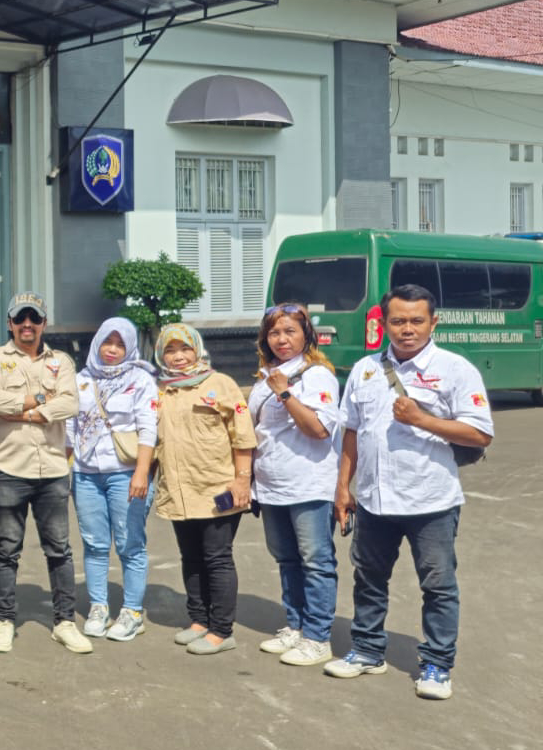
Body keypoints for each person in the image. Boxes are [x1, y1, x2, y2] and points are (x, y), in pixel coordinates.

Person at [326, 284, 493, 700]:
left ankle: (437, 663)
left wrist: (421, 419)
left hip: (430, 501)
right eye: (398, 321)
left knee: (437, 586)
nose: (407, 329)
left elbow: (479, 434)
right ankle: (367, 650)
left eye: (417, 321)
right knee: (368, 579)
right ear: (385, 324)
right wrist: (343, 488)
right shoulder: (365, 369)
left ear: (433, 322)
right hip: (374, 500)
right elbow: (352, 431)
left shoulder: (455, 369)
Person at [0, 292, 86, 655]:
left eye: (34, 318)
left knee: (59, 550)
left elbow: (70, 403)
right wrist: (41, 401)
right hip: (8, 467)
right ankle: (4, 620)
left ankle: (65, 622)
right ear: (10, 323)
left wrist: (21, 412)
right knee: (7, 548)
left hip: (52, 468)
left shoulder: (61, 361)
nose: (28, 325)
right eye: (21, 318)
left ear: (44, 323)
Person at [151, 323, 255, 656]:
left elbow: (242, 434)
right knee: (191, 557)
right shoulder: (161, 390)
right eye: (170, 350)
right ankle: (199, 620)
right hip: (178, 489)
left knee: (217, 557)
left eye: (185, 348)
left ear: (197, 350)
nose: (179, 356)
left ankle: (222, 630)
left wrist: (242, 479)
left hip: (216, 488)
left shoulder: (221, 384)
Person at [248, 304, 342, 667]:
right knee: (286, 559)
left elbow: (319, 430)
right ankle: (296, 625)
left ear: (306, 336)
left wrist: (286, 394)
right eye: (274, 333)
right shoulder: (265, 376)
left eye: (290, 331)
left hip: (308, 484)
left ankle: (318, 637)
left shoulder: (316, 376)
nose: (281, 339)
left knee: (316, 562)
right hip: (271, 485)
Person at [65, 316, 158, 644]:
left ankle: (132, 611)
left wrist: (142, 472)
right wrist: (63, 468)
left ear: (129, 347)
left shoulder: (140, 379)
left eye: (120, 344)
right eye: (108, 341)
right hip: (86, 473)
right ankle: (98, 607)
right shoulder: (81, 380)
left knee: (130, 544)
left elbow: (148, 426)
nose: (113, 350)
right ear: (97, 342)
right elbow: (70, 428)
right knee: (94, 544)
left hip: (125, 473)